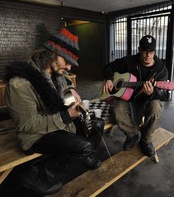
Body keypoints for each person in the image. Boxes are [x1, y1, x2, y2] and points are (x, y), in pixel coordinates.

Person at [4, 27, 104, 196]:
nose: (69, 66)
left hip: (59, 123)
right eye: (66, 60)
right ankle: (38, 176)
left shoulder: (58, 74)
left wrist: (72, 93)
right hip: (36, 135)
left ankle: (86, 156)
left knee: (98, 123)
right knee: (84, 146)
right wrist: (67, 115)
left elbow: (66, 88)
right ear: (52, 53)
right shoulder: (19, 84)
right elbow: (28, 125)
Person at [102, 35, 169, 158]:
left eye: (151, 51)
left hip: (147, 100)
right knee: (116, 109)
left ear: (155, 51)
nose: (148, 55)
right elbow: (109, 66)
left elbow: (164, 95)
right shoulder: (129, 61)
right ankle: (132, 134)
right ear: (139, 49)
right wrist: (109, 79)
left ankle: (146, 140)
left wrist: (152, 93)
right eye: (145, 51)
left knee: (156, 107)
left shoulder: (160, 69)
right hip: (129, 98)